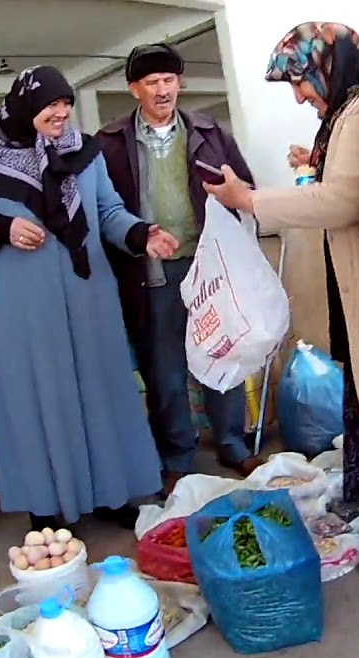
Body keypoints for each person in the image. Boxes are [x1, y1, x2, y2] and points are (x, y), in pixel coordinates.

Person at [204, 21, 359, 578]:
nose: (299, 95)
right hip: (355, 286)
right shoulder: (343, 112)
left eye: (301, 81)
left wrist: (251, 199)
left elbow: (349, 199)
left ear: (329, 64)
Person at [0, 66, 179, 529]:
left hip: (87, 296)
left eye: (66, 103)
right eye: (51, 104)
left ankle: (110, 493)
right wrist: (0, 227)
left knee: (100, 390)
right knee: (38, 398)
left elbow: (107, 210)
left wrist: (139, 233)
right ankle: (47, 507)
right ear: (25, 105)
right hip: (21, 305)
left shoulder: (82, 152)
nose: (61, 113)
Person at [97, 43, 263, 494]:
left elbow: (244, 187)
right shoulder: (109, 144)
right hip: (152, 273)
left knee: (221, 353)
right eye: (152, 82)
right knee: (164, 369)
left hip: (209, 266)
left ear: (181, 82)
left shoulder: (209, 132)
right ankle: (177, 456)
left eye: (169, 80)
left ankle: (232, 443)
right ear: (135, 90)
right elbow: (99, 210)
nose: (163, 89)